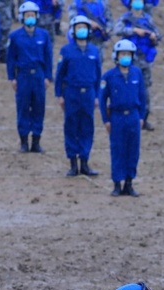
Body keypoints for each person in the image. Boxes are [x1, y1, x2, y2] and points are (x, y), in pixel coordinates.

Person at [56, 14, 103, 176]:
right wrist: (59, 95)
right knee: (71, 125)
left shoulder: (94, 51)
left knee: (87, 127)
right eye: (78, 28)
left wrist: (97, 95)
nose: (81, 30)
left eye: (84, 27)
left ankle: (84, 161)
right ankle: (73, 163)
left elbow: (98, 76)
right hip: (71, 93)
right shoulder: (66, 50)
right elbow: (59, 75)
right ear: (73, 30)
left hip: (88, 93)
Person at [101, 39, 146, 196]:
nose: (125, 56)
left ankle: (129, 182)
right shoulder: (109, 76)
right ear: (116, 56)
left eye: (128, 54)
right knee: (118, 149)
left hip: (133, 116)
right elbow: (102, 99)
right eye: (122, 54)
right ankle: (117, 183)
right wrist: (106, 121)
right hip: (117, 118)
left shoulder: (137, 73)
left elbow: (143, 96)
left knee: (133, 150)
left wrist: (141, 117)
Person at [8, 1, 52, 152]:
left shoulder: (43, 35)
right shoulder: (15, 36)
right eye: (27, 15)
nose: (30, 18)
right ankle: (24, 141)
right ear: (22, 17)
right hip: (23, 75)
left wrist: (48, 77)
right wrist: (12, 78)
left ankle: (36, 141)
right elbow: (11, 59)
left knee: (39, 107)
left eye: (32, 15)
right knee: (23, 107)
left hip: (38, 75)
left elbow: (48, 57)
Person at [113, 0, 159, 131]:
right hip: (129, 59)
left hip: (145, 59)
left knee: (145, 90)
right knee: (127, 87)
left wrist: (153, 37)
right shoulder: (125, 17)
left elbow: (158, 35)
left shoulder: (148, 19)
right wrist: (133, 30)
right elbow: (117, 30)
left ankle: (144, 119)